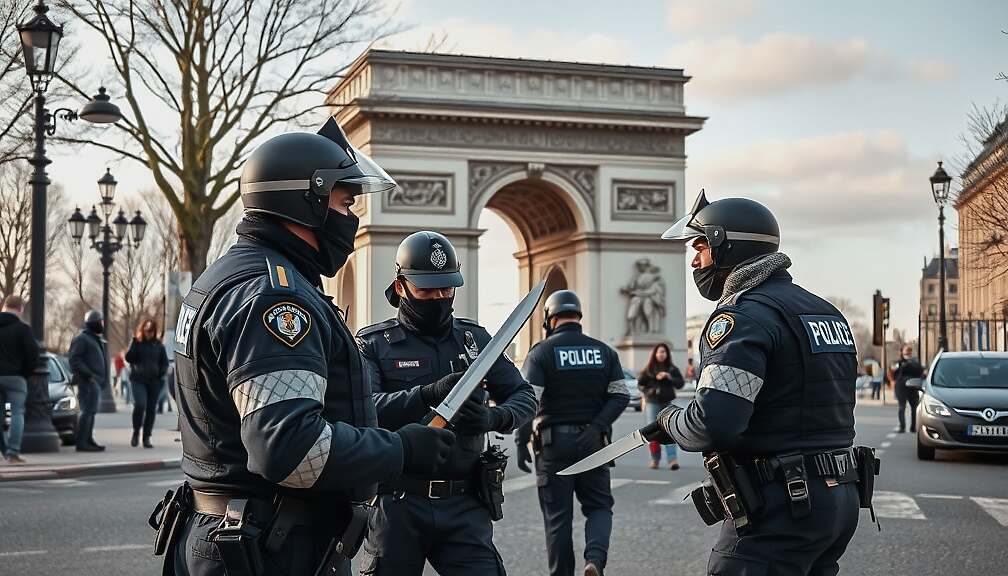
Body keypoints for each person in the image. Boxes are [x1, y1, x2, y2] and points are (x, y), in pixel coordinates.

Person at [163, 118, 457, 576]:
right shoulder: (274, 297)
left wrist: (413, 408)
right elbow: (290, 448)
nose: (352, 217)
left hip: (236, 531)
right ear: (307, 201)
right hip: (271, 547)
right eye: (345, 202)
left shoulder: (225, 276)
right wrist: (400, 450)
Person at [653, 190, 860, 576]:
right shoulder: (825, 312)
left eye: (700, 247)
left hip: (781, 507)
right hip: (839, 499)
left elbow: (713, 423)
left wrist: (670, 421)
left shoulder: (743, 317)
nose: (694, 261)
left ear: (725, 245)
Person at [356, 231, 537, 576]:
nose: (439, 298)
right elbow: (367, 410)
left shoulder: (475, 340)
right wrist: (427, 394)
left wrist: (494, 417)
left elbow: (525, 396)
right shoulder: (373, 344)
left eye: (446, 288)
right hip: (398, 504)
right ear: (400, 286)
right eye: (426, 290)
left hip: (465, 504)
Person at [515, 290, 629, 576]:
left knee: (558, 519)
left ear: (549, 318)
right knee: (599, 507)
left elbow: (529, 400)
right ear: (578, 316)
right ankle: (594, 561)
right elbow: (620, 395)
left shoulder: (541, 352)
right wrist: (597, 426)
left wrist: (520, 440)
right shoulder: (604, 351)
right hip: (595, 444)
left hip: (553, 445)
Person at [0, 295, 41, 464]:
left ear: (4, 306)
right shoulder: (23, 329)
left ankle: (3, 449)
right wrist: (26, 373)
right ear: (20, 309)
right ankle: (12, 452)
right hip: (16, 379)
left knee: (3, 413)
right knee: (15, 413)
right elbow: (33, 354)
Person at [636, 342, 684, 470]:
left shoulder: (672, 369)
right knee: (653, 432)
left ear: (667, 354)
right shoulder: (649, 370)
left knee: (670, 430)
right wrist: (649, 391)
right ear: (655, 354)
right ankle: (655, 459)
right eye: (659, 352)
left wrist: (669, 377)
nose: (662, 354)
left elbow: (680, 384)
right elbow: (640, 384)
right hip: (652, 402)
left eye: (664, 352)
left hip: (667, 402)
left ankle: (672, 460)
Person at [125, 318, 169, 448]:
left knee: (151, 409)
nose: (149, 333)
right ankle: (136, 432)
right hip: (138, 380)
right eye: (146, 330)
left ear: (154, 331)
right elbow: (129, 358)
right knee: (140, 405)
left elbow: (165, 363)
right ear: (142, 330)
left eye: (151, 330)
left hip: (154, 381)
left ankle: (146, 437)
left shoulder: (159, 346)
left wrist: (161, 373)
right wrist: (133, 342)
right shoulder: (137, 343)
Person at [68, 310, 107, 452]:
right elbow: (74, 359)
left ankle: (88, 440)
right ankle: (82, 442)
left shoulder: (94, 339)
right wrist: (89, 375)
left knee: (91, 412)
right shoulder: (82, 339)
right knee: (87, 412)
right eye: (101, 322)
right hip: (87, 382)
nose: (103, 324)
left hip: (94, 382)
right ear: (94, 323)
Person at [892, 345, 924, 433]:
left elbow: (920, 372)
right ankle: (902, 426)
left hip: (912, 387)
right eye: (906, 350)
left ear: (911, 352)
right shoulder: (898, 363)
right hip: (901, 387)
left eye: (909, 350)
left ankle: (913, 427)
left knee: (914, 407)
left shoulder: (915, 362)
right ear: (902, 351)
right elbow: (894, 374)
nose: (907, 352)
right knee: (902, 407)